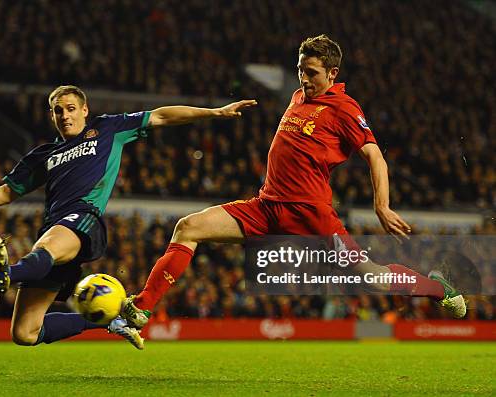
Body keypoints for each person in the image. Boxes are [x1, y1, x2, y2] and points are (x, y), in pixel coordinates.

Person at [122, 35, 466, 329]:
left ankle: (436, 288)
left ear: (332, 73)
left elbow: (375, 156)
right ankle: (142, 307)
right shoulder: (299, 97)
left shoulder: (344, 108)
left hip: (310, 216)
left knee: (371, 278)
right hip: (266, 207)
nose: (303, 78)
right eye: (300, 69)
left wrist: (382, 205)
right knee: (189, 226)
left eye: (311, 72)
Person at [0, 85, 257, 349]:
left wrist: (215, 112)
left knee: (46, 247)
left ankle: (7, 272)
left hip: (84, 220)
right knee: (25, 333)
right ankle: (108, 320)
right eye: (57, 111)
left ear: (84, 110)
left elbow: (162, 116)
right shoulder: (43, 155)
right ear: (52, 116)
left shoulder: (107, 130)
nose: (65, 115)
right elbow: (5, 192)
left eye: (70, 109)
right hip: (55, 231)